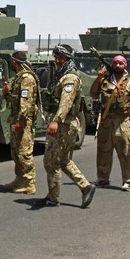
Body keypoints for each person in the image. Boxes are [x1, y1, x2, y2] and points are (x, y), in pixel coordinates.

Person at [41, 44, 96, 208]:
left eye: (61, 58)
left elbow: (66, 103)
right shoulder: (62, 75)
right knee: (63, 160)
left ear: (68, 59)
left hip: (64, 125)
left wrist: (55, 121)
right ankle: (85, 187)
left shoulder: (70, 78)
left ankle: (54, 197)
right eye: (56, 57)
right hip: (65, 124)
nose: (57, 61)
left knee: (51, 161)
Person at [89, 54, 130, 192]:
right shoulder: (106, 80)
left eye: (121, 63)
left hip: (122, 120)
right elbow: (93, 93)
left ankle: (127, 180)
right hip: (106, 120)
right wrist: (99, 77)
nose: (118, 66)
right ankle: (102, 178)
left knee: (125, 151)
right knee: (103, 150)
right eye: (115, 63)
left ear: (125, 65)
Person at [2, 51, 39, 194]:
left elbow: (26, 102)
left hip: (23, 121)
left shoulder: (27, 79)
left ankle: (29, 183)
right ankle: (19, 179)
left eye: (12, 61)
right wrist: (6, 91)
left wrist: (21, 121)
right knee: (15, 152)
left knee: (24, 153)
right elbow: (13, 99)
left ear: (15, 62)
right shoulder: (18, 78)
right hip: (16, 118)